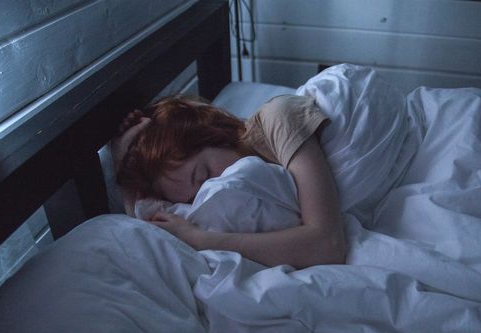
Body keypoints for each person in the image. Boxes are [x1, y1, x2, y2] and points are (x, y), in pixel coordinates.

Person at [111, 95, 345, 269]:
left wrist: (200, 240)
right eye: (194, 199)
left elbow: (327, 245)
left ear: (212, 135)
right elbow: (145, 230)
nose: (214, 190)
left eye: (203, 175)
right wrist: (123, 160)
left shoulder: (278, 119)